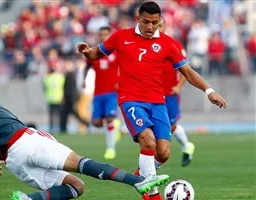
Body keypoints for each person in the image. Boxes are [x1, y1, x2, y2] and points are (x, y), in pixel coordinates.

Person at [0, 63, 169, 200]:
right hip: (26, 141)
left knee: (76, 187)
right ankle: (139, 182)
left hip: (14, 160)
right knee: (80, 163)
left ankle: (28, 199)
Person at [76, 2, 227, 199]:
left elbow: (187, 72)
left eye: (155, 23)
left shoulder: (167, 43)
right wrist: (87, 52)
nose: (150, 27)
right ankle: (152, 193)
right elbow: (97, 53)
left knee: (163, 153)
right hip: (130, 99)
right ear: (138, 19)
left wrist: (209, 91)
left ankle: (142, 173)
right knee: (148, 141)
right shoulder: (121, 37)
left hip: (157, 101)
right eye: (146, 22)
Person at [158, 18, 195, 167]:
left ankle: (186, 145)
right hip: (152, 93)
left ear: (165, 26)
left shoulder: (174, 44)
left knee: (171, 125)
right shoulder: (145, 45)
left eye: (160, 25)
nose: (156, 28)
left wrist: (179, 87)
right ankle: (152, 165)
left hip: (169, 93)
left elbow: (186, 70)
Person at [84, 26, 121, 160]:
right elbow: (87, 65)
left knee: (109, 119)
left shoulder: (116, 52)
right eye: (101, 34)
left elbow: (124, 67)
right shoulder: (95, 51)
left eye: (106, 34)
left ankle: (110, 149)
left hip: (112, 91)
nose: (103, 36)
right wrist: (83, 80)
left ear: (110, 35)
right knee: (97, 123)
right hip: (98, 92)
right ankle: (114, 127)